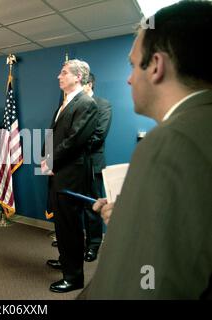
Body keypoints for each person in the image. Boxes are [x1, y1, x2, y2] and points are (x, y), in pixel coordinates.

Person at [84, 1, 212, 299]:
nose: (129, 78)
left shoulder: (168, 142)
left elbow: (140, 283)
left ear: (155, 66)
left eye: (132, 64)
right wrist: (130, 219)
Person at [41, 59, 98, 293]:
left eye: (63, 72)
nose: (58, 76)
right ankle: (66, 261)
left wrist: (51, 161)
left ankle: (74, 278)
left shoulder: (86, 103)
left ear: (78, 77)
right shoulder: (65, 104)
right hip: (59, 171)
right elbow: (56, 137)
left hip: (70, 173)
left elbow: (75, 140)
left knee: (70, 226)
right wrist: (47, 159)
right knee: (62, 225)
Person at [82, 73, 112, 262]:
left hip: (92, 164)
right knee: (73, 207)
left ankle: (93, 244)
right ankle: (76, 241)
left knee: (91, 207)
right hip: (72, 167)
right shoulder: (71, 105)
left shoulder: (102, 104)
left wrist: (72, 147)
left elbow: (98, 135)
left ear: (89, 84)